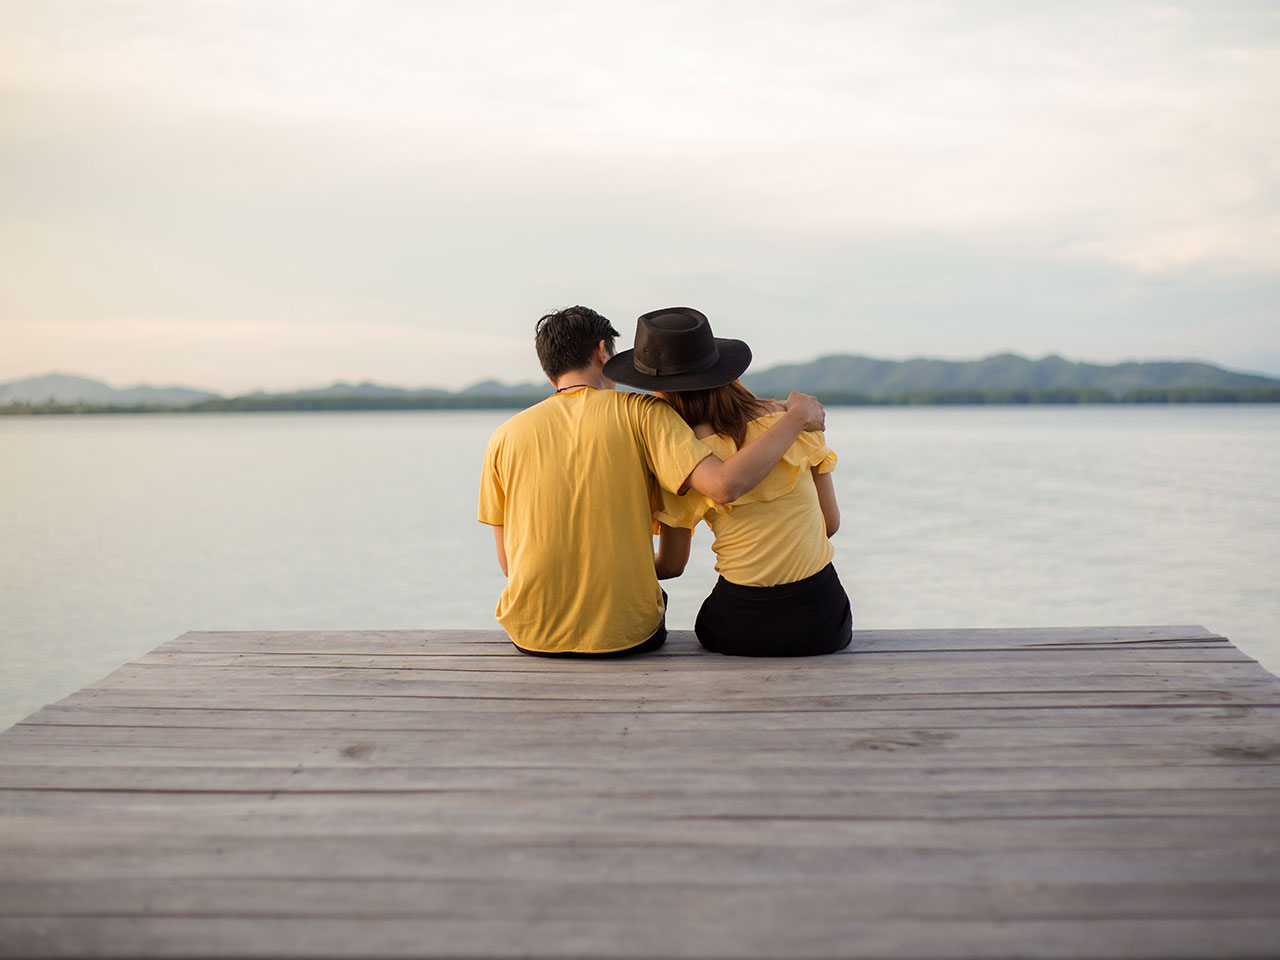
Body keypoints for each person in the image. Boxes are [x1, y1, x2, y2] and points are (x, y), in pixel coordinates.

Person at [477, 305, 825, 657]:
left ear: (549, 370)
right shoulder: (644, 413)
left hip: (530, 634)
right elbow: (720, 485)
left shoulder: (503, 437)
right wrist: (788, 414)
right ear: (602, 351)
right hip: (626, 638)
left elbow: (510, 565)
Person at [605, 307, 852, 657]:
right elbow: (829, 524)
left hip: (740, 625)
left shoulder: (688, 460)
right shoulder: (793, 425)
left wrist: (616, 567)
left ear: (658, 392)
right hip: (822, 623)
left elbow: (673, 565)